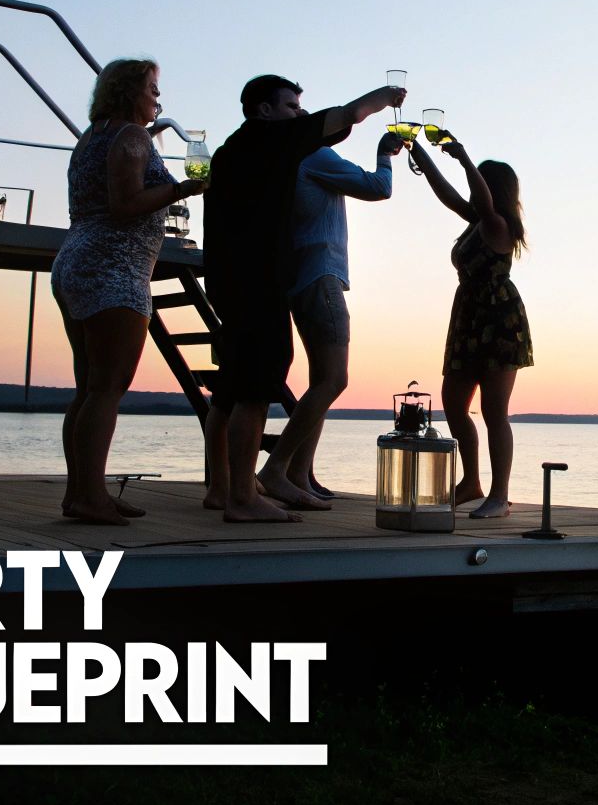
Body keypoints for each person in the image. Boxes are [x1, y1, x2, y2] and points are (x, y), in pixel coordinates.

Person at [201, 74, 402, 522]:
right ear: (264, 110)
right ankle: (252, 490)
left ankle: (224, 488)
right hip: (271, 278)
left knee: (229, 390)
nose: (301, 113)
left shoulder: (229, 153)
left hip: (226, 279)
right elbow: (349, 124)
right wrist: (385, 98)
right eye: (291, 106)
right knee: (261, 387)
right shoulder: (288, 147)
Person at [49, 58, 206, 525]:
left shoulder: (90, 138)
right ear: (128, 92)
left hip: (76, 260)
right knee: (108, 387)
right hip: (113, 270)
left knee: (89, 388)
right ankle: (89, 496)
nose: (158, 99)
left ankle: (82, 492)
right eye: (152, 89)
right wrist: (182, 189)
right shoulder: (133, 137)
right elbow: (124, 206)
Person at [253, 119, 404, 498]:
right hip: (322, 277)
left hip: (299, 279)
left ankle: (299, 475)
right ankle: (276, 468)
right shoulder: (315, 155)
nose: (305, 115)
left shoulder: (278, 163)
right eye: (295, 108)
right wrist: (385, 154)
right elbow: (378, 187)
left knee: (320, 380)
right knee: (335, 379)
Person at [405, 136, 532, 518]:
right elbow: (447, 195)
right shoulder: (476, 222)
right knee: (454, 405)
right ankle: (471, 482)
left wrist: (464, 159)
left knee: (495, 413)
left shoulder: (500, 225)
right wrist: (420, 154)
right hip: (468, 319)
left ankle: (499, 495)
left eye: (479, 181)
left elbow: (479, 198)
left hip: (499, 320)